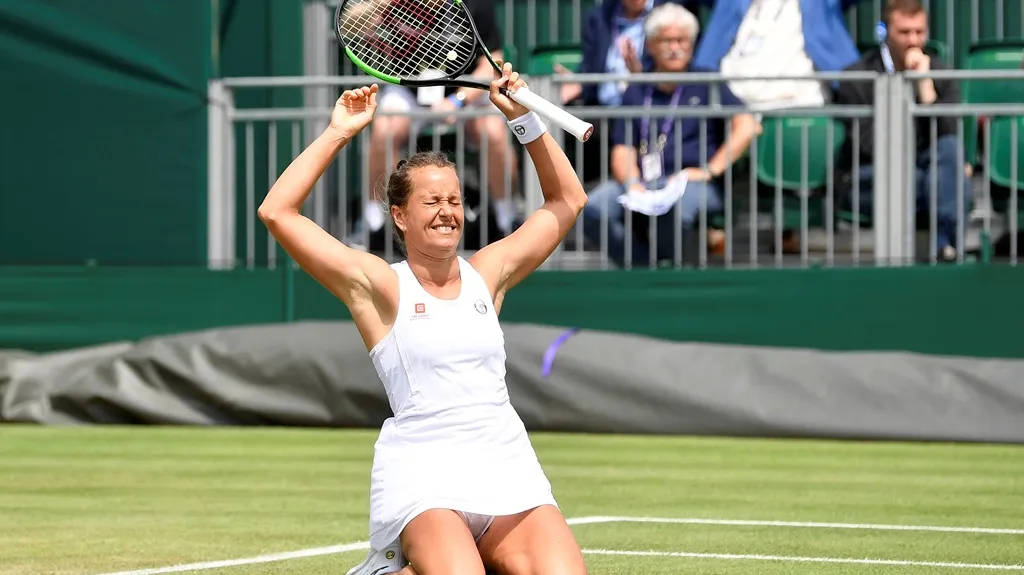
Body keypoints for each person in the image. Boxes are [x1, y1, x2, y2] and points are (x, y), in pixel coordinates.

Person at [258, 63, 589, 575]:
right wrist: (339, 133)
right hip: (424, 477)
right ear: (400, 215)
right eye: (431, 200)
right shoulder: (379, 285)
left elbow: (568, 201)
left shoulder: (488, 273)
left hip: (506, 466)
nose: (447, 211)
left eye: (455, 199)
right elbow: (278, 211)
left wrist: (525, 122)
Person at [580, 3, 756, 267]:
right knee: (593, 209)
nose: (675, 47)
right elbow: (622, 149)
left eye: (681, 40)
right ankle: (642, 272)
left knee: (676, 209)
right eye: (666, 40)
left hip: (693, 183)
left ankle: (672, 274)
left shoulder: (706, 82)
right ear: (650, 45)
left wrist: (710, 170)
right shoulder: (638, 90)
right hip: (645, 182)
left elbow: (747, 125)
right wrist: (631, 183)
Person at [363, 0, 521, 242]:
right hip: (408, 89)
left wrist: (457, 101)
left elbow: (493, 64)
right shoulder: (392, 3)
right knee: (385, 130)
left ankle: (506, 220)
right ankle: (373, 225)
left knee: (493, 131)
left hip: (463, 91)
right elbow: (353, 22)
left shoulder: (477, 5)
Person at [833, 0, 971, 261]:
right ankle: (946, 250)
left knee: (949, 154)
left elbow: (948, 137)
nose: (913, 40)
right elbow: (869, 144)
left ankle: (944, 245)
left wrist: (925, 88)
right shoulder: (857, 76)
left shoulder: (940, 71)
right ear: (885, 32)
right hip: (869, 177)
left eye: (919, 32)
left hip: (926, 171)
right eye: (904, 32)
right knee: (951, 182)